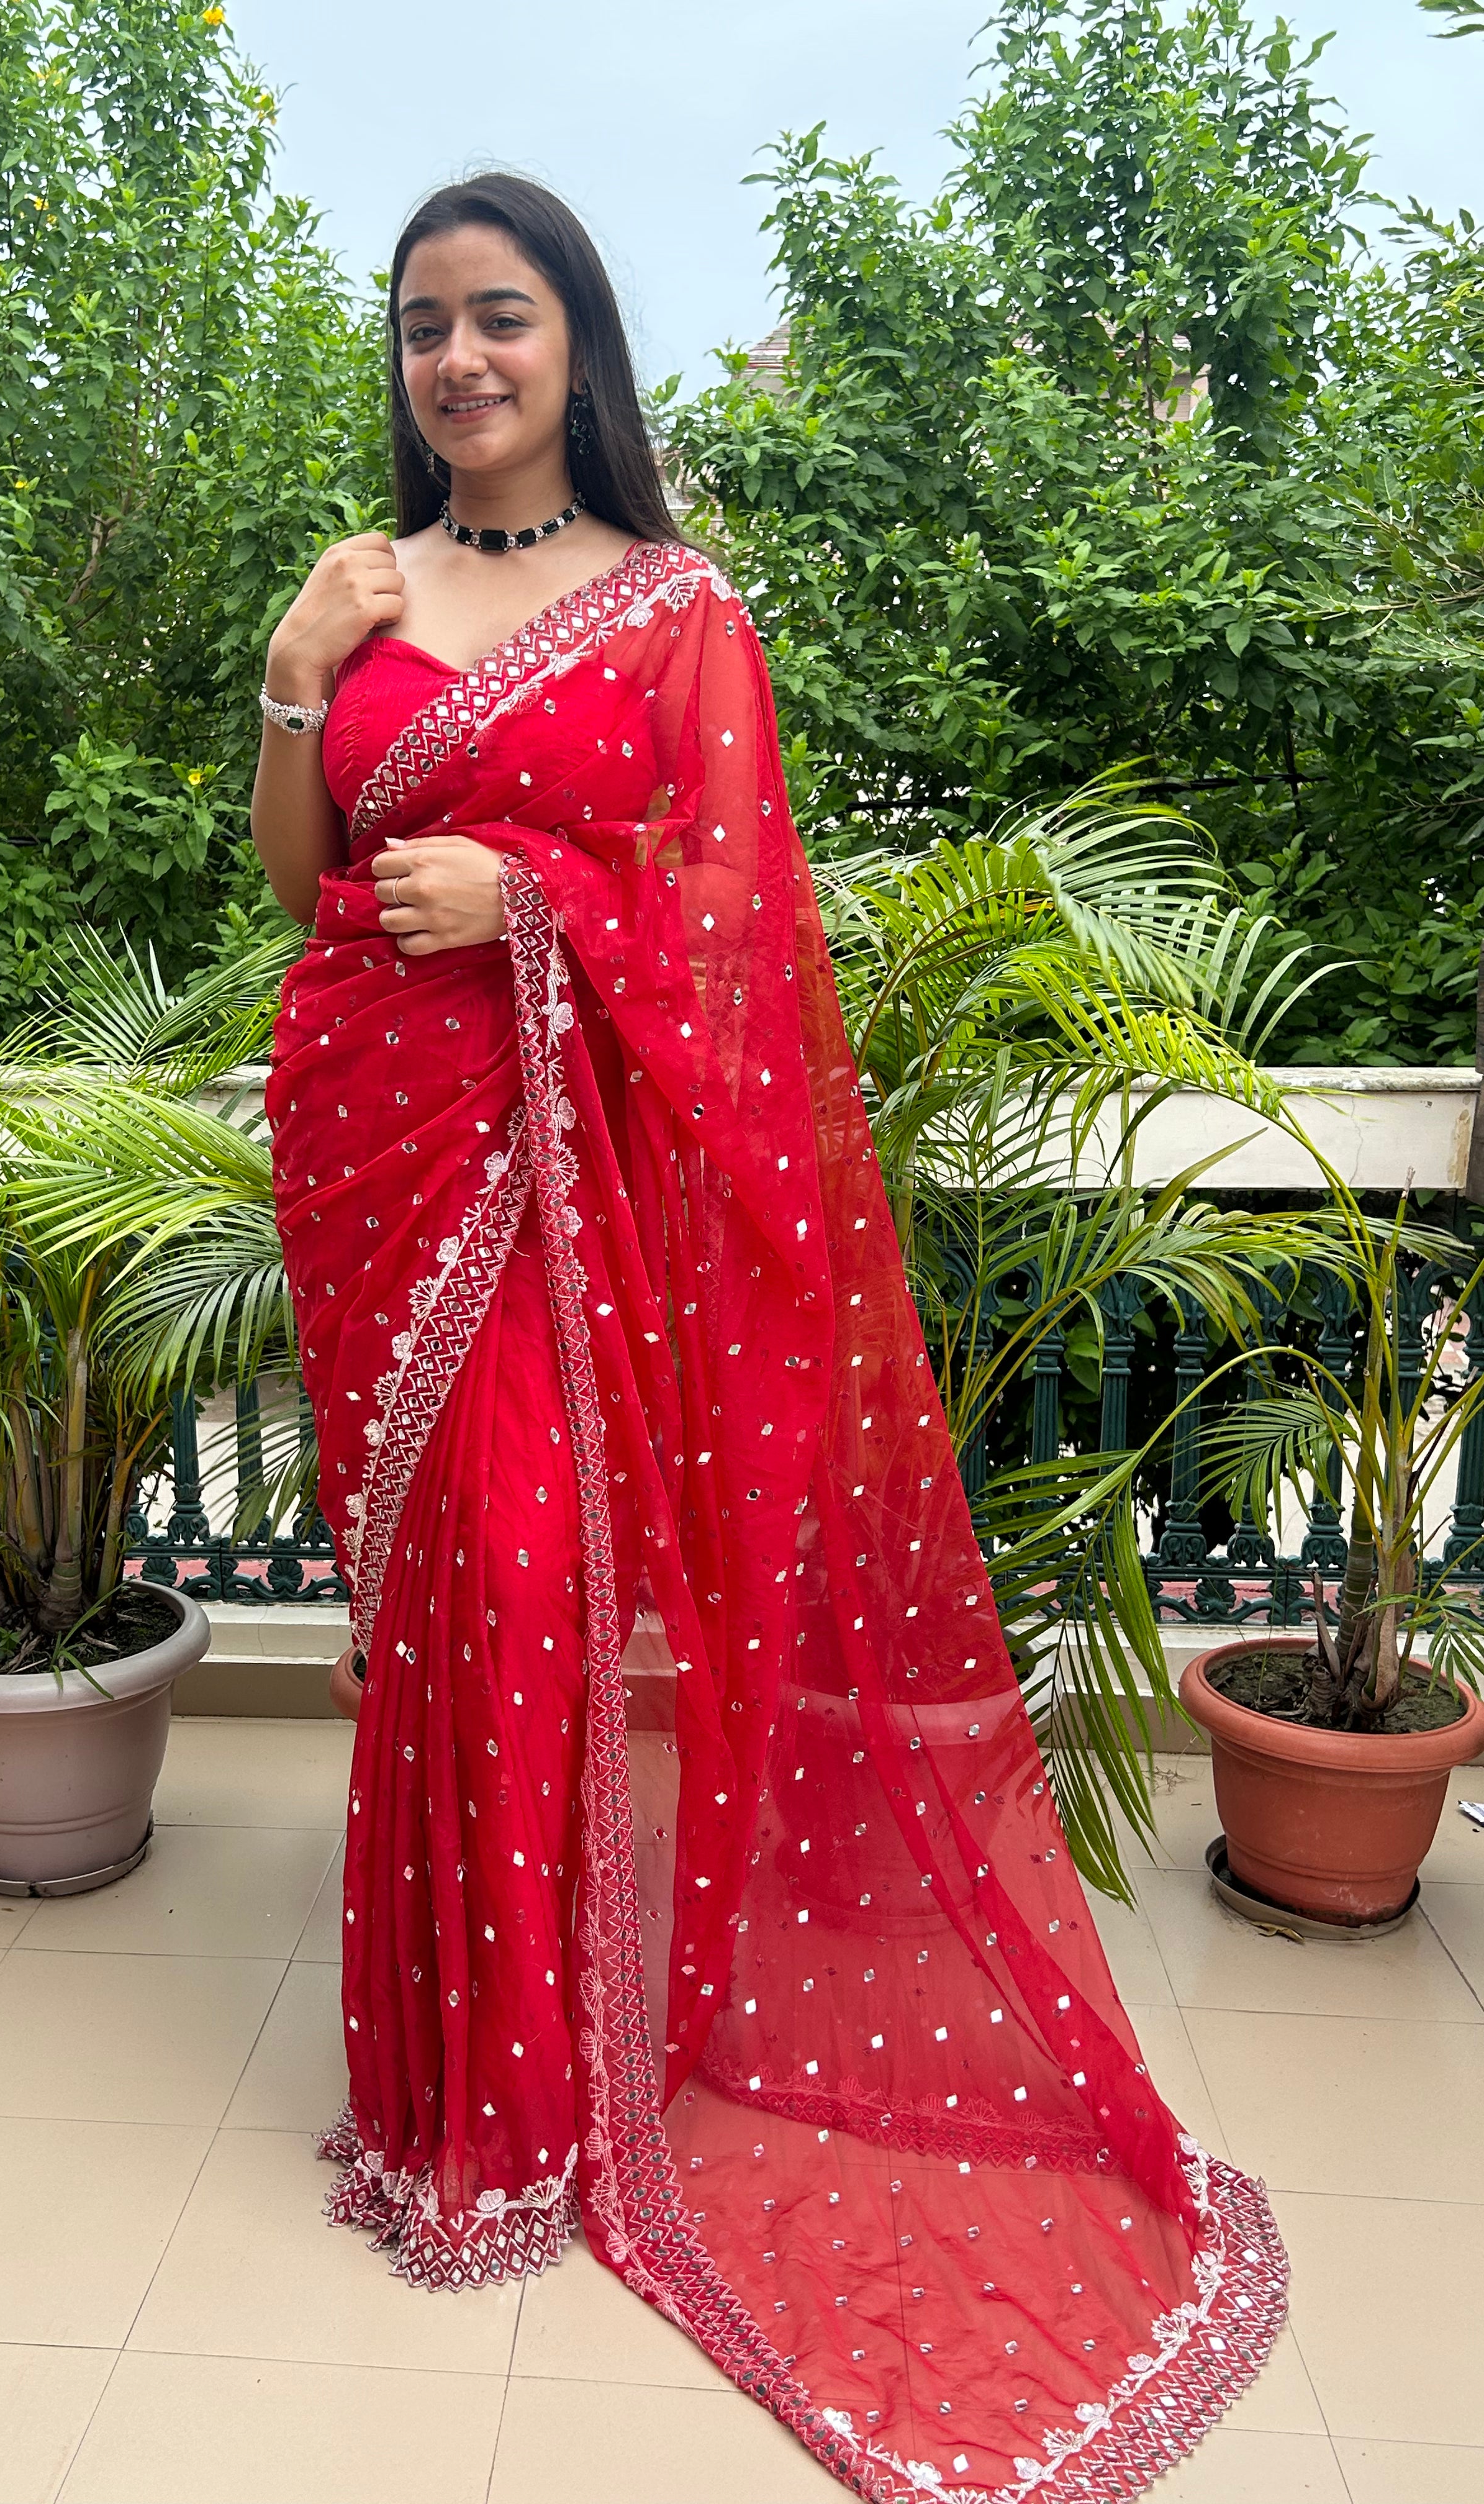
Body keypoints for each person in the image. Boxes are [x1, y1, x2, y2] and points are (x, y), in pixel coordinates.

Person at [253, 171, 1285, 2501]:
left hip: (557, 1152)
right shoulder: (370, 586)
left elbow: (738, 924)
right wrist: (298, 679)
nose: (456, 362)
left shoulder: (675, 609)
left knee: (529, 1587)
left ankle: (525, 2117)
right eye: (422, 326)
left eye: (497, 318)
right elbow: (294, 877)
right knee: (438, 1608)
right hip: (377, 1151)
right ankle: (433, 2097)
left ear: (576, 346)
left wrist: (538, 898)